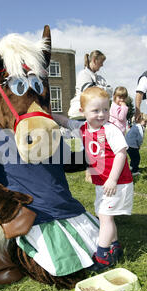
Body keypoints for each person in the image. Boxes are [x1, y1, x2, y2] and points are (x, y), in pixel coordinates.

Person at [53, 87, 134, 271]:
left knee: (105, 218)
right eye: (96, 110)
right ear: (83, 112)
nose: (101, 114)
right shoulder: (82, 128)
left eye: (105, 109)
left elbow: (121, 154)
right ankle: (115, 247)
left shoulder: (110, 130)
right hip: (103, 183)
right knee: (106, 216)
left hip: (117, 183)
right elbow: (66, 122)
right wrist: (49, 114)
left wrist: (113, 179)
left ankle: (102, 256)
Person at [68, 50, 112, 119]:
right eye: (101, 62)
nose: (102, 65)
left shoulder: (100, 78)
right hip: (80, 116)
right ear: (94, 60)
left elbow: (110, 92)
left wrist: (97, 88)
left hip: (94, 115)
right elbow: (89, 92)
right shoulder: (83, 74)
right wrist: (103, 89)